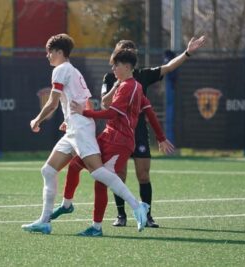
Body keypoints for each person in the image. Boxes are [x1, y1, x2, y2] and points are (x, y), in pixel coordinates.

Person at [54, 36, 206, 229]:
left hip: (123, 138)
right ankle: (78, 207)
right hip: (110, 136)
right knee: (80, 166)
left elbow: (114, 111)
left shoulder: (134, 84)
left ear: (127, 64)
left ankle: (132, 212)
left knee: (127, 176)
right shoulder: (116, 80)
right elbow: (107, 103)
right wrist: (73, 120)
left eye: (117, 63)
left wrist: (82, 112)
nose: (113, 67)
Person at [21, 33, 149, 235]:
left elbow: (53, 102)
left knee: (97, 172)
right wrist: (69, 120)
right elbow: (84, 102)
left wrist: (37, 120)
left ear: (59, 52)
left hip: (80, 129)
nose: (47, 56)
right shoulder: (72, 71)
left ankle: (136, 205)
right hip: (75, 127)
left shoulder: (61, 70)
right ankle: (45, 222)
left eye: (49, 52)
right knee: (48, 171)